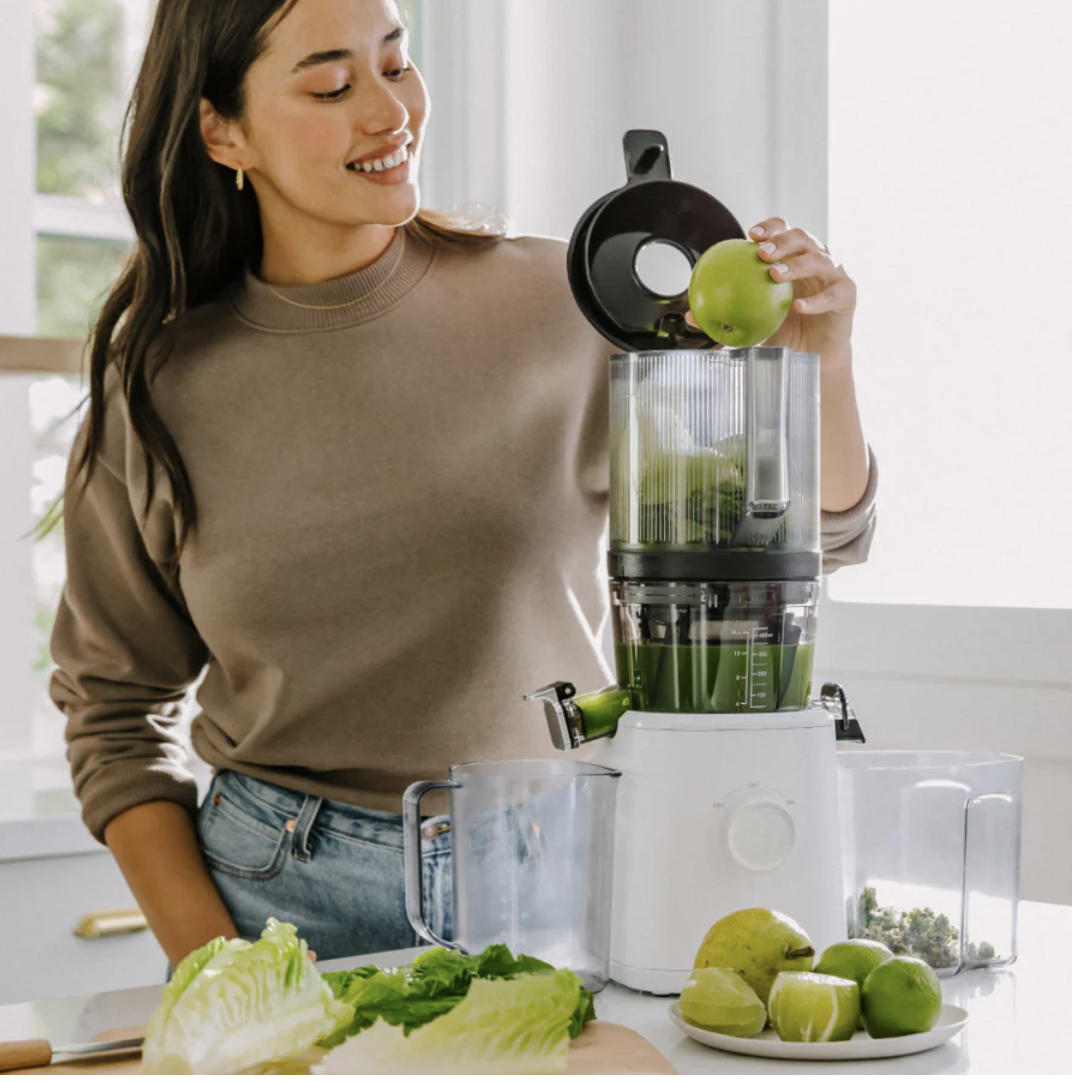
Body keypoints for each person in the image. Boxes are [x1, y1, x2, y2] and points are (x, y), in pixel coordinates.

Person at [49, 0, 877, 970]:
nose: (387, 110)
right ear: (220, 129)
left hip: (559, 870)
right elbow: (112, 708)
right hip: (281, 896)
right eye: (330, 83)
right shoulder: (159, 383)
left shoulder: (560, 307)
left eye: (396, 64)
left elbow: (812, 540)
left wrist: (818, 366)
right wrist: (215, 967)